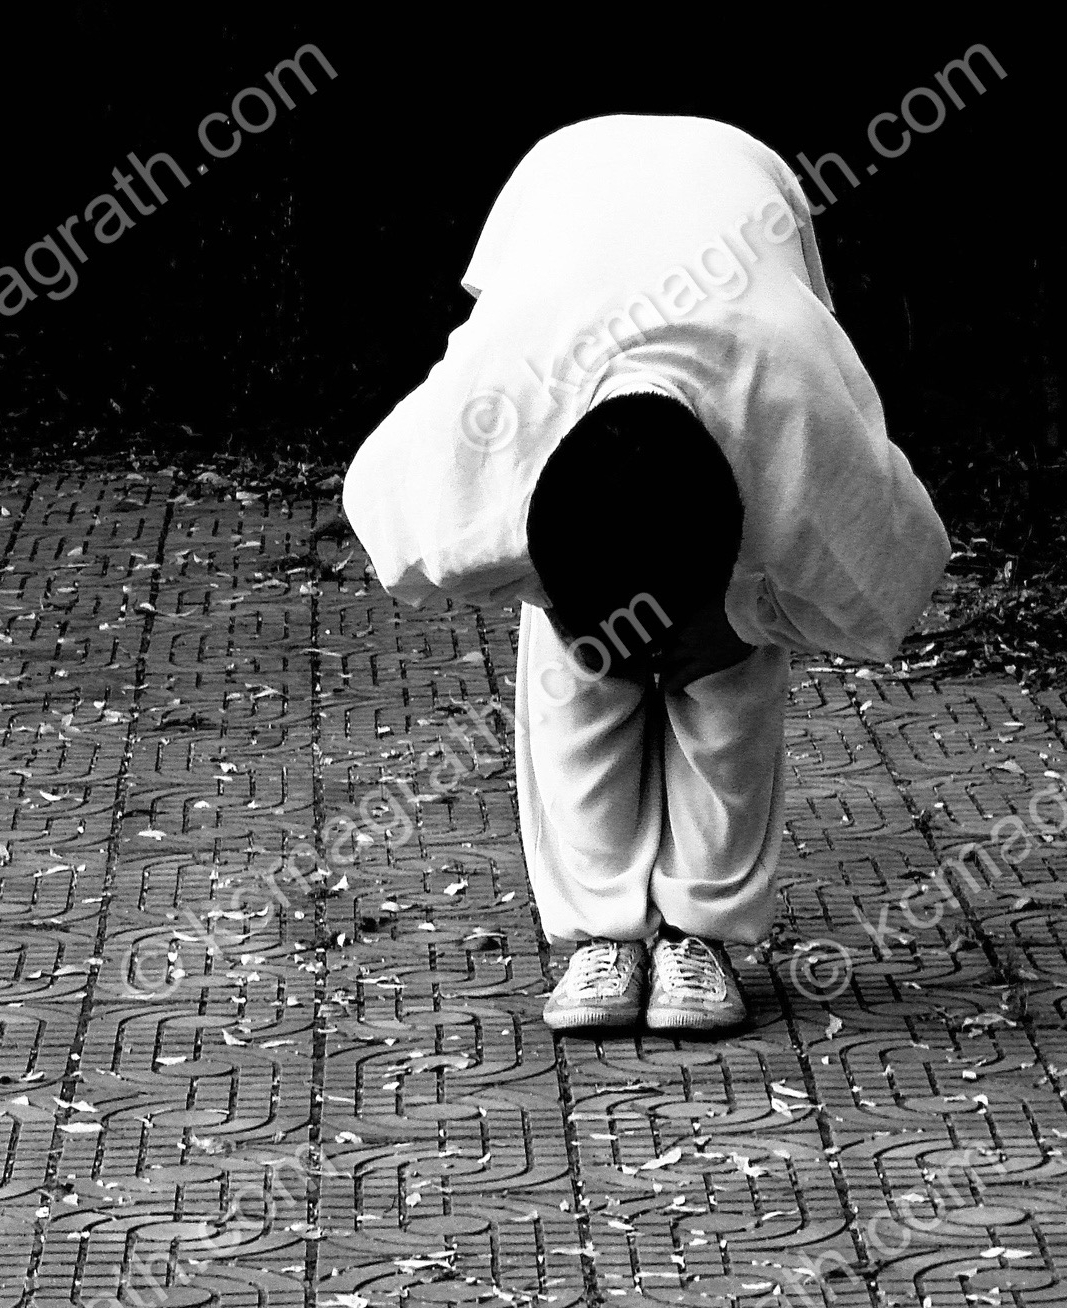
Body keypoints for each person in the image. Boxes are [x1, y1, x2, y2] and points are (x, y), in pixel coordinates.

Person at [343, 115, 949, 1035]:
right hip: (556, 188)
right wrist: (564, 608)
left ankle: (700, 935)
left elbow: (895, 575)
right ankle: (603, 935)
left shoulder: (794, 407)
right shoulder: (496, 405)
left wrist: (741, 620)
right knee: (577, 672)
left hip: (746, 190)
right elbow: (386, 514)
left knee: (729, 677)